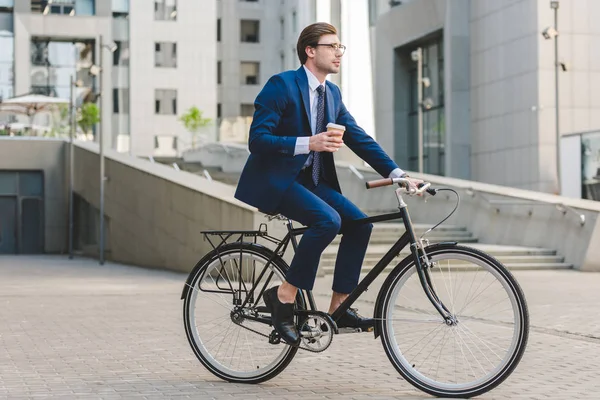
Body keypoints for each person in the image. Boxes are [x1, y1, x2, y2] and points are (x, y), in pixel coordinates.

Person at [234, 22, 423, 345]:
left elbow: (358, 138)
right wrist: (309, 143)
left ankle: (339, 306)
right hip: (276, 181)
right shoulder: (281, 85)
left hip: (310, 181)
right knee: (328, 220)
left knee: (360, 224)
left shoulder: (331, 94)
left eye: (341, 47)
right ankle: (283, 296)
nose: (339, 53)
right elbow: (258, 140)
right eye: (332, 46)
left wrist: (396, 173)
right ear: (310, 51)